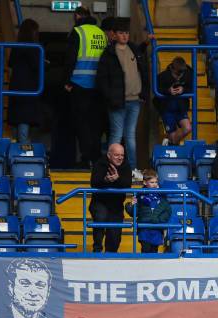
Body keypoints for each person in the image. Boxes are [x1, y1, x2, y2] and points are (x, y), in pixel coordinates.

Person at [96, 18, 149, 181]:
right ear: (114, 35)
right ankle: (110, 169)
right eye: (121, 33)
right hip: (117, 102)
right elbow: (102, 79)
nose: (124, 36)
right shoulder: (108, 53)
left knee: (130, 136)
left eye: (126, 33)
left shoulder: (134, 49)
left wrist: (143, 94)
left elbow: (142, 70)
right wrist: (110, 98)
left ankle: (132, 170)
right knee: (116, 136)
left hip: (134, 100)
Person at [61, 6, 108, 167]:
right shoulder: (101, 33)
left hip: (80, 84)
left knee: (81, 123)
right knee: (95, 123)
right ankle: (95, 157)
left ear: (77, 16)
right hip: (99, 86)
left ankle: (86, 157)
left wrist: (67, 81)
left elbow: (70, 59)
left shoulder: (78, 32)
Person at [90, 143, 132, 253]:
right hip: (99, 202)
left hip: (116, 206)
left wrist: (117, 178)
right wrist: (106, 180)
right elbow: (94, 182)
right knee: (101, 217)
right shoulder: (100, 164)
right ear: (109, 155)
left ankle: (110, 256)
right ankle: (97, 250)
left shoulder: (126, 165)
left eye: (122, 155)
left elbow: (128, 184)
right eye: (116, 155)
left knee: (115, 235)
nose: (120, 158)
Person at [8, 19, 42, 144]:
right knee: (24, 121)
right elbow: (35, 65)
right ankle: (23, 155)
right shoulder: (34, 48)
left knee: (18, 122)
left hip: (16, 87)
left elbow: (10, 62)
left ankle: (18, 154)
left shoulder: (17, 46)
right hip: (28, 89)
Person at [124, 169, 172, 253]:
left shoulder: (162, 195)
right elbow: (133, 213)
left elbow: (167, 211)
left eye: (156, 182)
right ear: (145, 183)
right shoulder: (139, 195)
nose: (154, 185)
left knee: (154, 251)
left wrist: (160, 220)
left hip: (157, 228)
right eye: (152, 182)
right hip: (144, 228)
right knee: (145, 250)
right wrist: (131, 205)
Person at [154, 56, 193, 145]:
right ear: (172, 69)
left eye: (181, 74)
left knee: (187, 128)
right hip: (167, 109)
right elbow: (156, 90)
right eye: (177, 74)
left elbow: (192, 89)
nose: (179, 77)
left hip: (181, 108)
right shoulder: (163, 76)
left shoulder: (188, 74)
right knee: (173, 137)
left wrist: (183, 90)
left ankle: (169, 143)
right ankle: (172, 146)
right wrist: (168, 91)